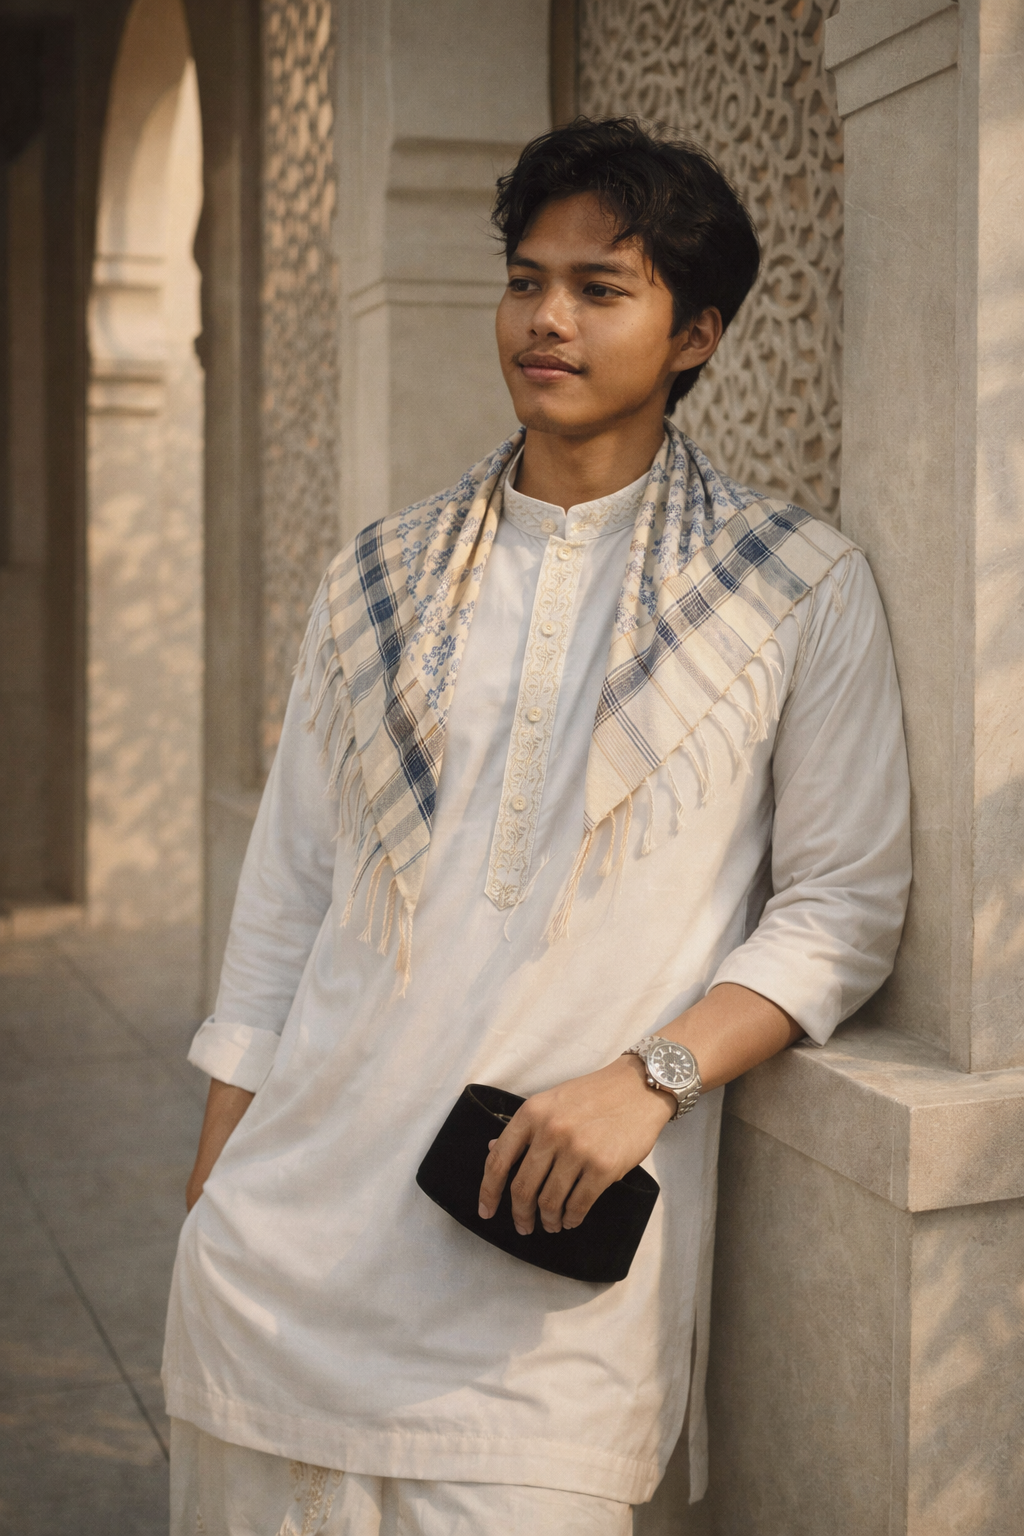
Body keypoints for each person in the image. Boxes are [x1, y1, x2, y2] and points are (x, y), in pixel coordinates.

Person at [163, 118, 911, 1535]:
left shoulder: (792, 587)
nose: (546, 319)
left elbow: (844, 905)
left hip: (538, 1301)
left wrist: (655, 1076)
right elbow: (282, 920)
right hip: (281, 1270)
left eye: (598, 287)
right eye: (525, 280)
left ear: (693, 333)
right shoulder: (376, 578)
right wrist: (214, 1209)